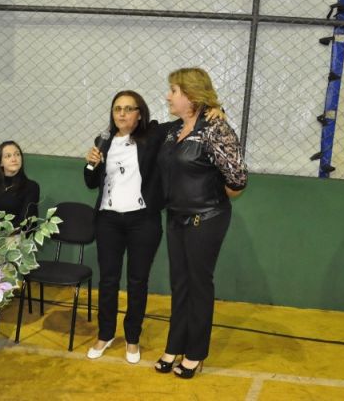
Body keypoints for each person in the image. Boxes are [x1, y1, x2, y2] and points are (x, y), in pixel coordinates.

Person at [155, 68, 248, 379]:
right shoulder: (173, 130)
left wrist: (211, 193)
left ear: (192, 95)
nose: (168, 96)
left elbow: (237, 179)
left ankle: (195, 353)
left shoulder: (216, 128)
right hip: (176, 217)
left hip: (206, 218)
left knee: (198, 285)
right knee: (179, 284)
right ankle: (174, 346)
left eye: (174, 91)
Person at [84, 90, 165, 364]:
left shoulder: (150, 137)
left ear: (139, 114)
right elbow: (90, 182)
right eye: (117, 108)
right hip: (108, 220)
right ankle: (105, 334)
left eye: (129, 108)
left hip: (143, 220)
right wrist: (91, 164)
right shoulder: (103, 141)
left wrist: (214, 111)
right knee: (108, 280)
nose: (122, 113)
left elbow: (181, 122)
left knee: (137, 281)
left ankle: (132, 338)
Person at [0, 141, 40, 229]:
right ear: (0, 162)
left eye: (17, 154)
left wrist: (2, 234)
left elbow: (26, 222)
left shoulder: (31, 187)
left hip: (15, 235)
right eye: (8, 156)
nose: (14, 159)